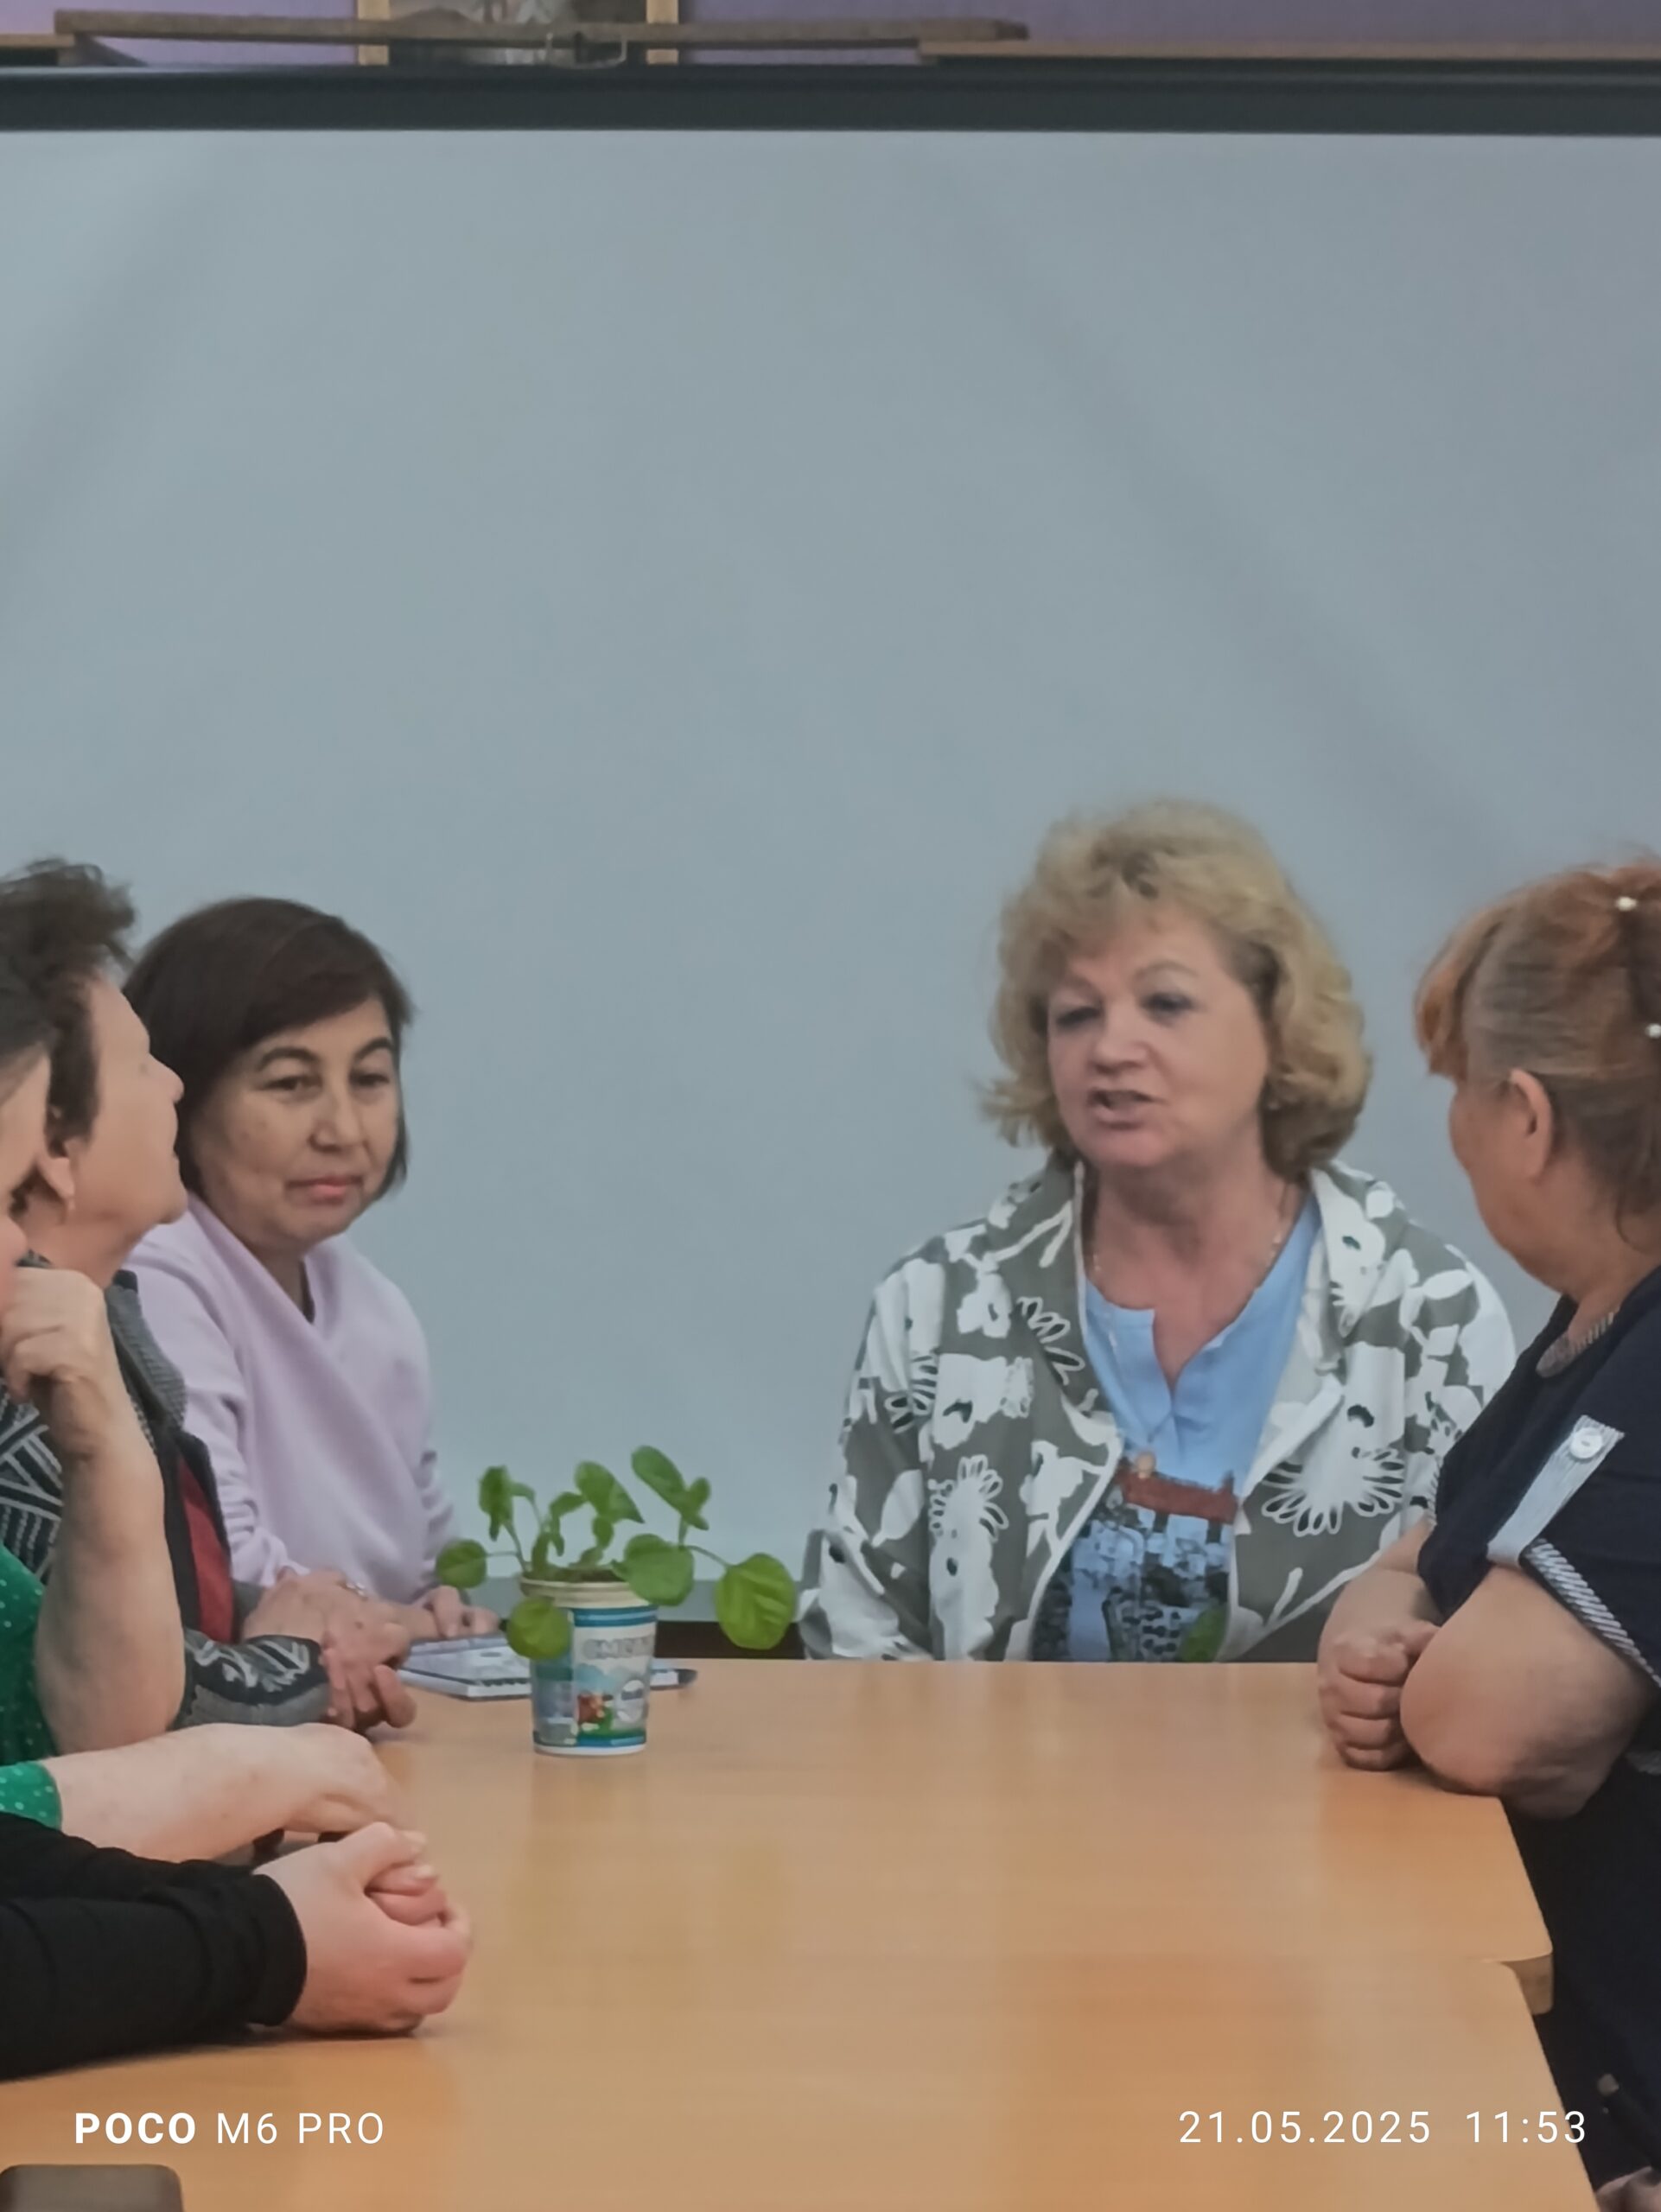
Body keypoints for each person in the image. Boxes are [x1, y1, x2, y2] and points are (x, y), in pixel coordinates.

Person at [801, 801, 1514, 1662]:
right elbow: (856, 1638)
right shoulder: (937, 1306)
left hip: (1323, 1758)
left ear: (1277, 1024)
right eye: (1076, 1014)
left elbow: (1478, 1639)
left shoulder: (1426, 1317)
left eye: (1164, 1003)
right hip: (979, 1759)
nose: (1111, 1047)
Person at [0, 917, 470, 2075]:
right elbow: (130, 1739)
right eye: (10, 1192)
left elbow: (82, 1761)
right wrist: (262, 1931)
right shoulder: (115, 1318)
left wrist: (264, 1920)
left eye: (370, 1078)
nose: (342, 1123)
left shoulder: (102, 1335)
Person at [1317, 859, 1661, 2192]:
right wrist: (1388, 1640)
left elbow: (1494, 1723)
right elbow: (1420, 1554)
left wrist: (1416, 1668)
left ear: (1522, 1116)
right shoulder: (1590, 1325)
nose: (1453, 1132)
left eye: (1460, 1090)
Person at [0, 862, 413, 1733]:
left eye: (371, 1080)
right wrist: (304, 1656)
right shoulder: (25, 1384)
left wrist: (325, 1626)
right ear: (54, 1144)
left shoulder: (112, 1317)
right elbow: (134, 1701)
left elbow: (187, 1604)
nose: (174, 1087)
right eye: (143, 1064)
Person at [124, 899, 492, 1633]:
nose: (344, 1130)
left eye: (370, 1079)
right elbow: (221, 1575)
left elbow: (426, 1568)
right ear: (179, 1095)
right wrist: (405, 1627)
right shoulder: (154, 1273)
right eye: (292, 1084)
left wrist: (439, 1612)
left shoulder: (373, 1304)